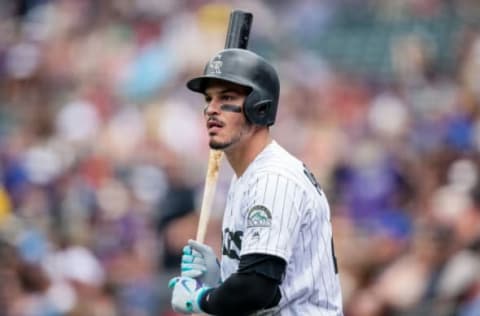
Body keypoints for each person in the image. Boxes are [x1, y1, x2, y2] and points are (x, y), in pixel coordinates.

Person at [168, 48, 343, 315]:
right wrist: (222, 279)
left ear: (259, 108)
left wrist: (202, 299)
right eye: (208, 99)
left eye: (226, 98)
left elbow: (256, 288)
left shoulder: (272, 178)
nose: (211, 110)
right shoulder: (247, 176)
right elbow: (269, 289)